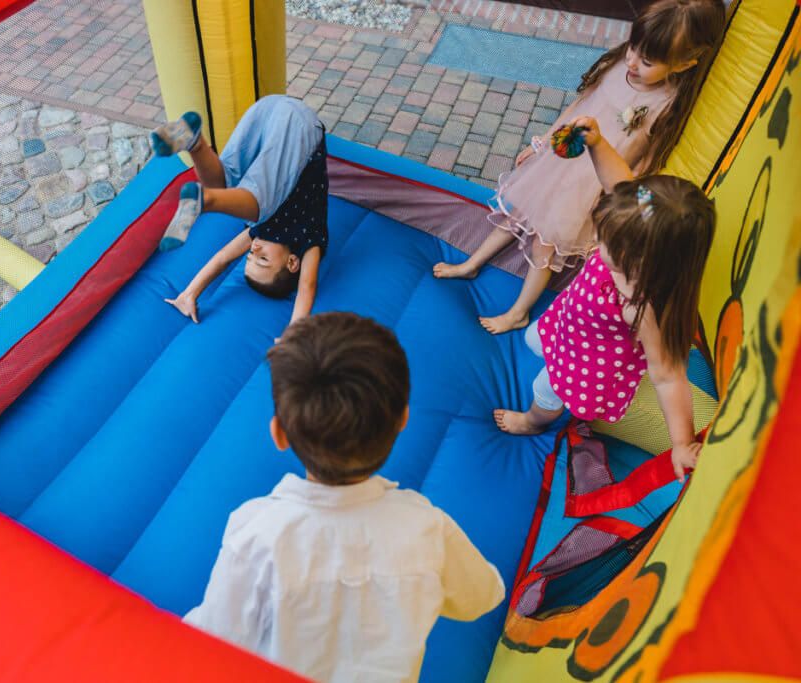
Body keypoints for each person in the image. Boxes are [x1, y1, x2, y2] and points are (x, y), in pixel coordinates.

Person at [185, 312, 505, 683]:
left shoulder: (257, 532)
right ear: (403, 419)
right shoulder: (427, 529)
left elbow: (212, 638)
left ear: (279, 434)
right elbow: (482, 597)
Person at [433, 0, 725, 335]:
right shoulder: (620, 66)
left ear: (686, 62)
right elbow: (580, 104)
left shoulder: (667, 104)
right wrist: (542, 141)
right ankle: (471, 264)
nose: (632, 61)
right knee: (520, 210)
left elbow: (646, 161)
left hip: (589, 184)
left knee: (546, 242)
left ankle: (518, 312)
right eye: (632, 48)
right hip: (561, 160)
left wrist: (619, 200)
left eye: (646, 61)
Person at [493, 116, 716, 483]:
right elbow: (619, 183)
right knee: (539, 339)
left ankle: (531, 422)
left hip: (586, 363)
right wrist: (597, 144)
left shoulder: (644, 307)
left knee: (546, 392)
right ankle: (546, 360)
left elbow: (667, 376)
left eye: (608, 242)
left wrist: (680, 442)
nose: (598, 240)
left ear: (644, 261)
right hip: (568, 323)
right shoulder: (639, 219)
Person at [152, 95, 328, 331]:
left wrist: (190, 293)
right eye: (263, 259)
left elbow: (223, 257)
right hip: (300, 128)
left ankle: (195, 143)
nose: (254, 250)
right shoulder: (310, 240)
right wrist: (293, 335)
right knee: (258, 207)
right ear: (292, 262)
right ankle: (205, 201)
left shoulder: (259, 235)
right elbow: (307, 286)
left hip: (267, 111)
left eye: (250, 257)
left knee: (225, 182)